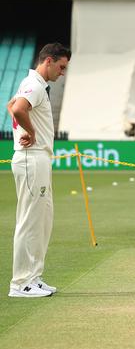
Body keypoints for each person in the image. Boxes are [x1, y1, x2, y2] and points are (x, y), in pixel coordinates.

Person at [6, 42, 70, 297]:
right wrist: (30, 132)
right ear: (48, 61)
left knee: (42, 220)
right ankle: (20, 283)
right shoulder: (33, 84)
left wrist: (25, 130)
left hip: (38, 159)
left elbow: (11, 105)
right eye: (61, 67)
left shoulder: (34, 85)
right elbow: (19, 108)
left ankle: (33, 277)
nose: (62, 72)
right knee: (29, 222)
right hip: (32, 157)